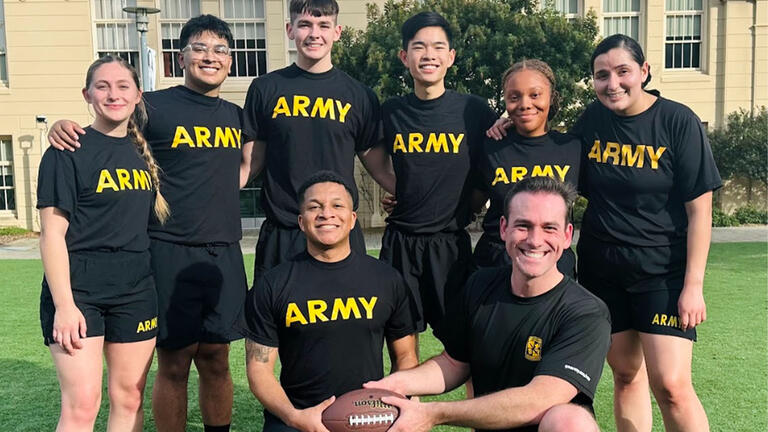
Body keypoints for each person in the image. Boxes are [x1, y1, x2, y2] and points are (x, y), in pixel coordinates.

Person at [47, 15, 254, 432]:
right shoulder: (154, 106)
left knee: (217, 359)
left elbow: (245, 169)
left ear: (231, 61)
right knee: (174, 362)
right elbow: (110, 130)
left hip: (224, 252)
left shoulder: (237, 114)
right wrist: (64, 126)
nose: (209, 57)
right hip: (166, 249)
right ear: (181, 58)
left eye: (220, 50)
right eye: (199, 48)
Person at [364, 176, 611, 432]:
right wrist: (398, 384)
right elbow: (453, 363)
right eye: (523, 226)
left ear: (567, 235)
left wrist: (433, 413)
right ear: (504, 228)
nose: (535, 240)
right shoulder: (480, 285)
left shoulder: (585, 312)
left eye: (549, 228)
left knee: (571, 421)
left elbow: (539, 400)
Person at [571, 34, 721, 432]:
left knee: (672, 386)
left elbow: (700, 210)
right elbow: (547, 153)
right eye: (601, 75)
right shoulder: (591, 120)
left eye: (623, 71)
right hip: (603, 271)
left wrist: (694, 285)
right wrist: (508, 122)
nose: (613, 83)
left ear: (644, 71)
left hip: (663, 274)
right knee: (625, 375)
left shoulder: (677, 120)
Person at [38, 56, 169, 431]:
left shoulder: (144, 152)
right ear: (87, 94)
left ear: (137, 95)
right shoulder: (67, 151)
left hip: (136, 290)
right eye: (103, 86)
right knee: (82, 405)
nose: (114, 94)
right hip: (80, 292)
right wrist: (65, 306)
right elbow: (52, 235)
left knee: (129, 397)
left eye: (123, 86)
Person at [241, 171, 421, 432]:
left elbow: (405, 356)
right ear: (302, 222)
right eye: (315, 207)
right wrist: (294, 417)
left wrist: (399, 406)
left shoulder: (387, 280)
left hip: (367, 417)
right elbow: (259, 370)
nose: (326, 213)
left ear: (352, 219)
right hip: (296, 419)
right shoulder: (273, 285)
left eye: (337, 205)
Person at [243, 0, 394, 287]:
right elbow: (250, 164)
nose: (314, 33)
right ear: (290, 30)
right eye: (305, 25)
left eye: (323, 25)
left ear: (337, 32)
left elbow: (380, 169)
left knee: (349, 328)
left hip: (338, 231)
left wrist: (411, 198)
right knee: (270, 329)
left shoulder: (359, 96)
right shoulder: (265, 89)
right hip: (283, 233)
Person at [379, 11, 497, 339]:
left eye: (437, 47)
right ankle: (407, 395)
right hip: (400, 243)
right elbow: (370, 155)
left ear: (451, 56)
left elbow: (493, 166)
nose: (428, 55)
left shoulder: (473, 110)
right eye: (418, 47)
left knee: (464, 347)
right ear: (405, 56)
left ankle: (477, 396)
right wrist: (398, 188)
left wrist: (472, 204)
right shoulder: (391, 111)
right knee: (402, 348)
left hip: (451, 244)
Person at [472, 59, 580, 277]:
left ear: (552, 97)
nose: (524, 104)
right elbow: (468, 203)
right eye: (514, 97)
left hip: (554, 264)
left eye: (535, 95)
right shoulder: (490, 146)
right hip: (497, 262)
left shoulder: (572, 147)